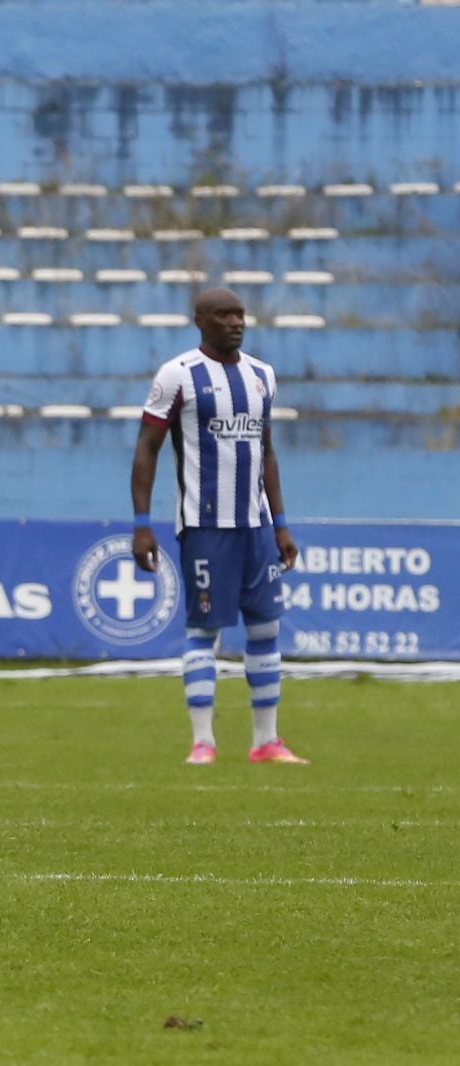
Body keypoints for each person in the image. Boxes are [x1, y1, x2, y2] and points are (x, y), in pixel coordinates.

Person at [131, 287, 304, 766]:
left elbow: (265, 452)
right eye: (224, 314)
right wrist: (142, 525)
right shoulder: (177, 375)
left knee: (266, 629)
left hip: (256, 529)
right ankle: (203, 741)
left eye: (240, 314)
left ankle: (266, 741)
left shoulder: (262, 376)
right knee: (204, 630)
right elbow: (147, 447)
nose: (235, 322)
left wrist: (281, 525)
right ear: (200, 320)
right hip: (206, 527)